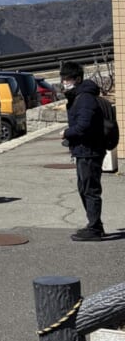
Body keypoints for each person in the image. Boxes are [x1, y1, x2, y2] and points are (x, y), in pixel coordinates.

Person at [60, 60, 107, 241]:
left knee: (90, 190)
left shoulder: (85, 97)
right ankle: (95, 224)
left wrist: (66, 133)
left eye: (68, 78)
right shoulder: (79, 95)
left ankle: (94, 229)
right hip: (84, 149)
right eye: (63, 78)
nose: (65, 81)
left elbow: (83, 126)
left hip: (89, 149)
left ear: (77, 79)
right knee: (84, 188)